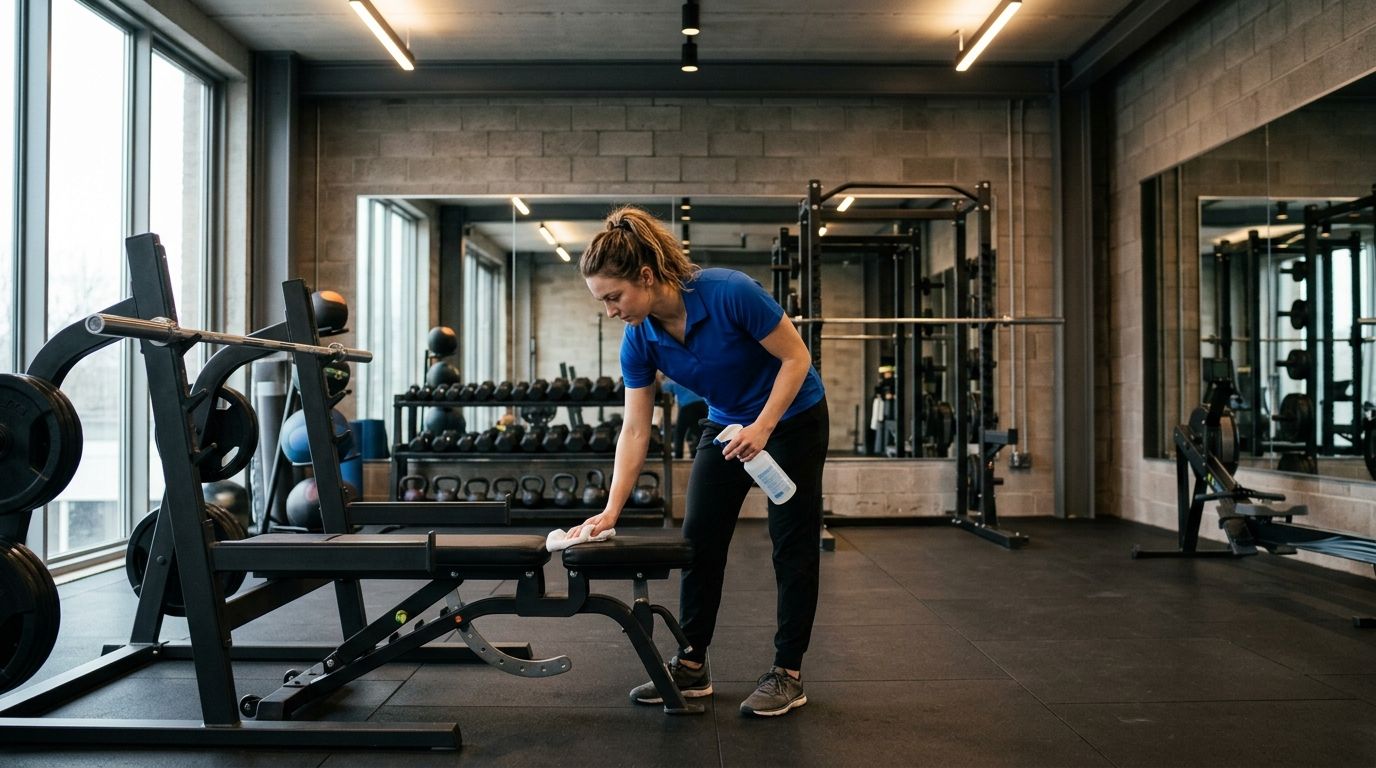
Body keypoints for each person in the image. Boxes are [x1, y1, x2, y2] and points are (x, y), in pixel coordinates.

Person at [571, 206, 828, 718]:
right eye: (602, 302)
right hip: (727, 424)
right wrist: (611, 510)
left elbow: (798, 358)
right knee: (700, 543)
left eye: (614, 298)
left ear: (645, 277)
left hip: (793, 418)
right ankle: (692, 664)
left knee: (791, 545)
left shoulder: (730, 292)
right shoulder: (639, 338)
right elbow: (636, 428)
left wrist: (764, 428)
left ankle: (788, 674)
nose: (611, 311)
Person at [661, 377, 707, 459]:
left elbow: (664, 392)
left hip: (688, 406)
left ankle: (678, 457)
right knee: (700, 432)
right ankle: (700, 455)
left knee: (679, 433)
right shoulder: (687, 374)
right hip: (703, 405)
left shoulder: (671, 380)